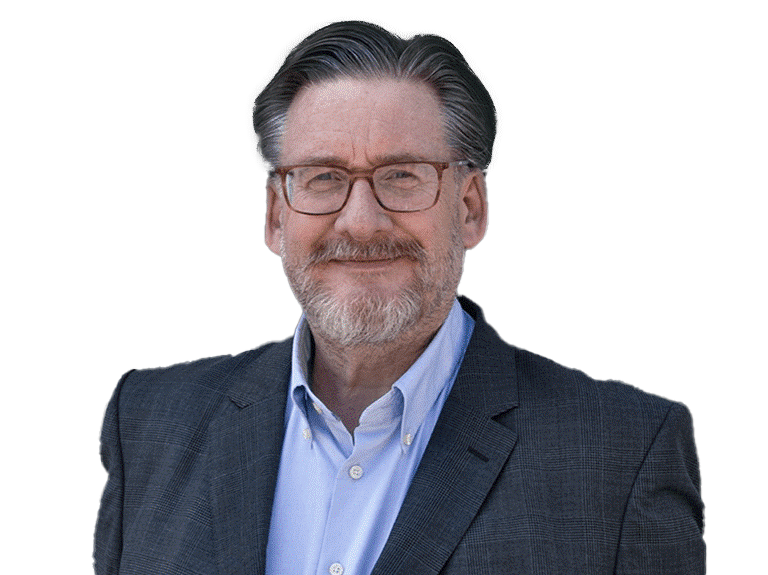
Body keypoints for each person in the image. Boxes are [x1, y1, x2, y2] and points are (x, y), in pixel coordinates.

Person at [92, 20, 706, 574]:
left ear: (469, 209)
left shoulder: (621, 458)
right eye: (323, 177)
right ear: (277, 217)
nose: (361, 222)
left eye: (402, 176)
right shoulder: (149, 428)